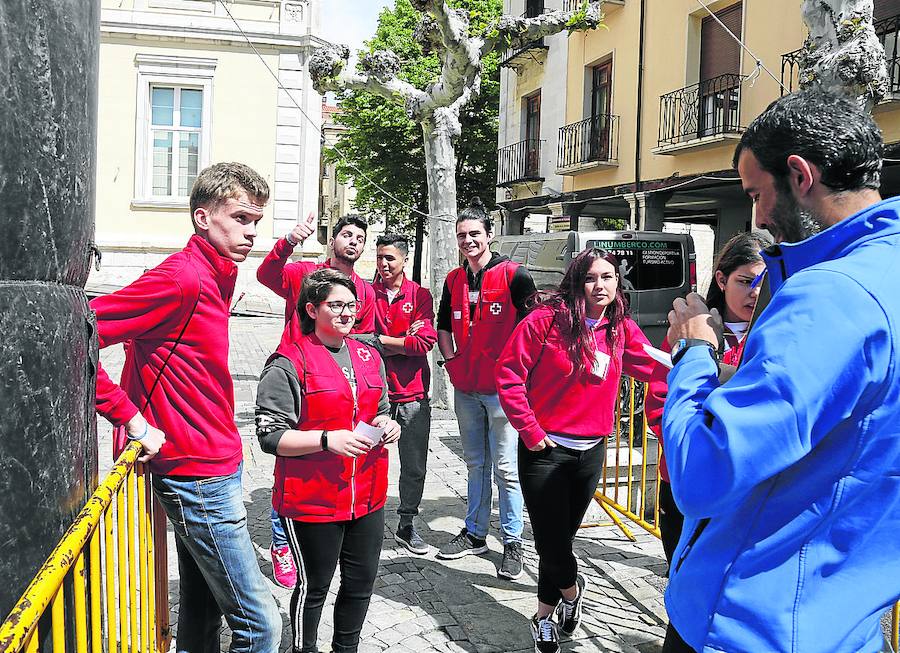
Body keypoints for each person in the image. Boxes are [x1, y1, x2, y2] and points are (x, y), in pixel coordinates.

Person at [661, 90, 900, 653]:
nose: (757, 218)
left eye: (756, 195)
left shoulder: (831, 295)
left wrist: (694, 353)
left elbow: (703, 472)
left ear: (798, 174)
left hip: (755, 621)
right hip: (847, 618)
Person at [92, 162, 281, 652]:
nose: (251, 232)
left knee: (202, 609)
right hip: (196, 476)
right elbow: (75, 334)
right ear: (202, 218)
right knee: (262, 626)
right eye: (240, 218)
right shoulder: (182, 278)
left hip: (216, 464)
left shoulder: (219, 275)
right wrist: (130, 419)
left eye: (256, 221)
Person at [496, 248, 658, 652]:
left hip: (591, 452)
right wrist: (530, 430)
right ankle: (571, 594)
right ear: (576, 282)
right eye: (591, 278)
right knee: (550, 542)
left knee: (560, 540)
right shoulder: (545, 321)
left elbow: (654, 366)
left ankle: (543, 616)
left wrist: (704, 368)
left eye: (607, 277)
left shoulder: (620, 328)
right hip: (545, 449)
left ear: (617, 283)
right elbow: (509, 374)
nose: (600, 285)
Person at [255, 268, 401, 653]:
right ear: (311, 309)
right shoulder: (288, 361)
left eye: (351, 305)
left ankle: (346, 648)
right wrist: (325, 440)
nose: (346, 312)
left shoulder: (368, 355)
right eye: (335, 305)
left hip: (367, 494)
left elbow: (382, 407)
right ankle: (305, 649)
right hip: (312, 499)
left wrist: (387, 424)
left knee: (360, 582)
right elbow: (270, 436)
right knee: (314, 586)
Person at [257, 212, 376, 586]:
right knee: (291, 463)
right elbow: (266, 275)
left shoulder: (365, 290)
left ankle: (332, 533)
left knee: (329, 461)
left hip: (338, 384)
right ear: (332, 239)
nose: (353, 241)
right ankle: (282, 544)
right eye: (346, 234)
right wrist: (289, 240)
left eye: (359, 236)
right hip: (297, 378)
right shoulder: (304, 274)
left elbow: (363, 338)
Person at [644, 231, 770, 566]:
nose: (754, 292)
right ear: (721, 279)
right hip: (685, 475)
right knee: (683, 574)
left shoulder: (775, 334)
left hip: (746, 482)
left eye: (762, 282)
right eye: (745, 280)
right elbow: (658, 402)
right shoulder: (691, 329)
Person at [435, 197, 536, 580]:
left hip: (504, 394)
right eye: (462, 235)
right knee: (475, 464)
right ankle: (475, 532)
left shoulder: (515, 275)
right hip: (466, 388)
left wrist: (520, 377)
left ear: (489, 235)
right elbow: (443, 325)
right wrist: (451, 362)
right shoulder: (454, 279)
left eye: (474, 233)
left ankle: (513, 542)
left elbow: (534, 330)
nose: (468, 241)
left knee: (507, 470)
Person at [371, 233, 438, 554]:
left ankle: (406, 523)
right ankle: (364, 522)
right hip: (374, 396)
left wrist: (381, 340)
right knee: (367, 459)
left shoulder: (421, 296)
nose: (383, 264)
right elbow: (356, 338)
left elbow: (423, 343)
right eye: (380, 257)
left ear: (403, 260)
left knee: (414, 465)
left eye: (390, 258)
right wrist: (402, 338)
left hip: (412, 395)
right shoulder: (366, 294)